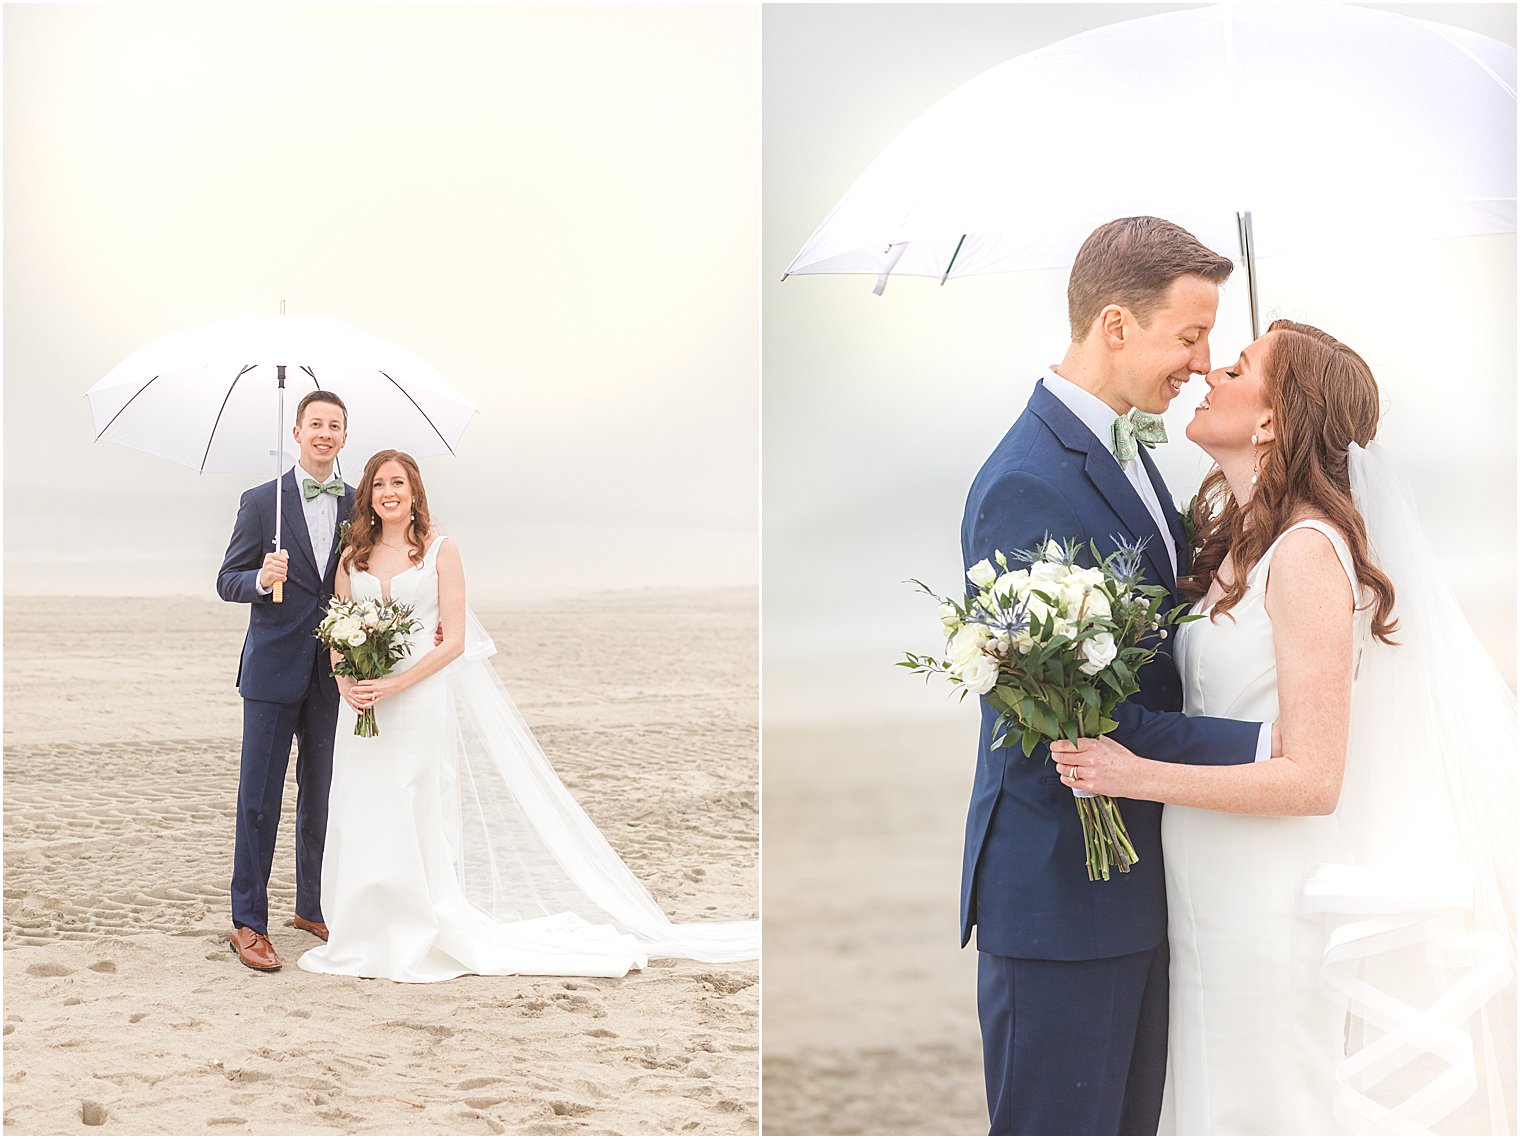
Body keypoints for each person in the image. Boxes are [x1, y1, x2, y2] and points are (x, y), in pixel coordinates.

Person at [1051, 321, 1516, 1134]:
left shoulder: (1306, 554)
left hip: (1264, 894)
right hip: (1205, 886)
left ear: (1271, 420)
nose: (1208, 375)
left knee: (1261, 1102)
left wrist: (1132, 773)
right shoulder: (1237, 542)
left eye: (1235, 369)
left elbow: (1313, 777)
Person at [959, 217, 1277, 1136]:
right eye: (1188, 338)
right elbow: (1081, 721)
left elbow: (1161, 646)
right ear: (1115, 325)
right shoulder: (1028, 482)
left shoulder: (1128, 451)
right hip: (1062, 892)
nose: (1199, 362)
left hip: (1136, 884)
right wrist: (1271, 744)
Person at [298, 450, 758, 983]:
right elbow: (338, 632)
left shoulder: (441, 552)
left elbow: (454, 642)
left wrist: (397, 682)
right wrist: (351, 686)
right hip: (361, 706)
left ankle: (414, 926)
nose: (389, 492)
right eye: (379, 485)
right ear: (368, 496)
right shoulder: (352, 557)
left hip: (418, 697)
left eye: (398, 482)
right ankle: (364, 928)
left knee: (411, 801)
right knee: (363, 804)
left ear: (415, 492)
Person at [216, 390, 353, 971]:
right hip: (272, 671)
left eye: (335, 426)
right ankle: (248, 921)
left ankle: (312, 905)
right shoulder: (260, 501)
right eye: (315, 424)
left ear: (345, 437)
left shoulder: (357, 504)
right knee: (259, 800)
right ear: (295, 432)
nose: (324, 434)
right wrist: (259, 577)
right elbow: (227, 579)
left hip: (334, 673)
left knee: (321, 796)